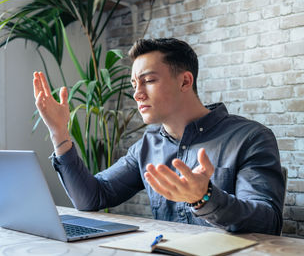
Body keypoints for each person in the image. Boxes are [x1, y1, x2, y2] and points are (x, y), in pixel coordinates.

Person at [33, 38, 285, 235]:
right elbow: (92, 197)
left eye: (149, 81)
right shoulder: (147, 146)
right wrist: (59, 132)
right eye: (134, 85)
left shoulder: (251, 137)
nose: (137, 94)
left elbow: (267, 223)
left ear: (185, 81)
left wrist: (204, 196)